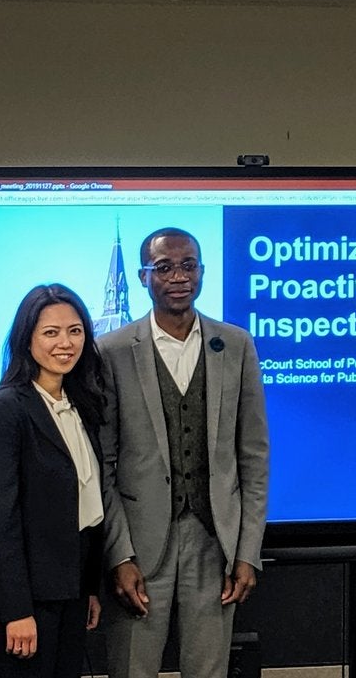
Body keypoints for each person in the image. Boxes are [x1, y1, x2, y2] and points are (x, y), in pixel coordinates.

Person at [98, 229, 268, 678]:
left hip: (215, 545)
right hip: (139, 545)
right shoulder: (111, 351)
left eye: (188, 265)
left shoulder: (236, 345)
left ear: (202, 272)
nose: (178, 276)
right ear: (142, 277)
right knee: (132, 669)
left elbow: (253, 457)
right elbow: (103, 465)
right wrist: (118, 555)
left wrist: (247, 551)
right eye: (164, 267)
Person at [0, 284, 109, 678]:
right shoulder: (6, 409)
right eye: (50, 332)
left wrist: (88, 589)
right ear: (26, 338)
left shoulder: (82, 405)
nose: (65, 343)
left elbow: (86, 507)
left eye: (75, 330)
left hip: (71, 590)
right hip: (28, 600)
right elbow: (0, 519)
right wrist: (17, 610)